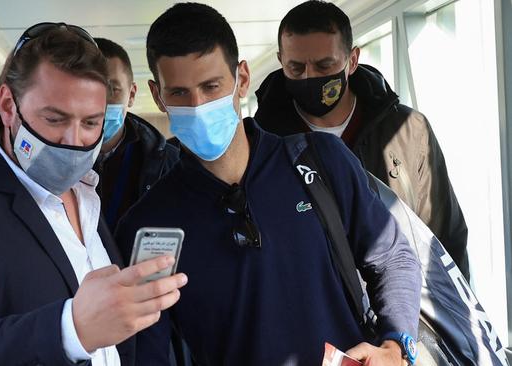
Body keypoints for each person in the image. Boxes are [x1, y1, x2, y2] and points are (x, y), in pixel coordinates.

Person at [115, 3, 422, 365]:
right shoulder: (148, 227)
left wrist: (395, 347)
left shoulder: (320, 161)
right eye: (179, 93)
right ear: (157, 94)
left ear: (241, 78)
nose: (198, 105)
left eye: (212, 86)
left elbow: (392, 257)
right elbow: (146, 349)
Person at [0, 23, 187, 366]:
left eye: (91, 123)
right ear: (8, 106)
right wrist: (71, 329)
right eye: (54, 119)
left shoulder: (87, 195)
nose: (74, 141)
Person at [254, 0, 470, 279]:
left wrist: (456, 318)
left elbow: (444, 236)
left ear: (352, 60)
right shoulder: (263, 144)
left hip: (403, 305)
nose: (310, 77)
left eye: (324, 65)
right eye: (296, 68)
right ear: (281, 61)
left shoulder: (408, 131)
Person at [92, 37, 179, 231]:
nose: (100, 102)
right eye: (89, 90)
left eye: (112, 89)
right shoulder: (53, 157)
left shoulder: (168, 162)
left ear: (131, 95)